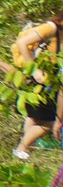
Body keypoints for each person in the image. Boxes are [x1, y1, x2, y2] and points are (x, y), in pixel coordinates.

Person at [13, 14, 63, 160]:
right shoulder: (51, 28)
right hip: (39, 79)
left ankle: (25, 148)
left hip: (50, 80)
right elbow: (22, 42)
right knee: (48, 122)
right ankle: (22, 147)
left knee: (34, 117)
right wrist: (34, 70)